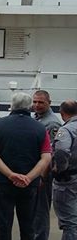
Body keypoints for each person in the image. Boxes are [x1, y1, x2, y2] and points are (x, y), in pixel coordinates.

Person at [0, 92, 52, 240]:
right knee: (28, 225)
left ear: (12, 105)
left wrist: (10, 174)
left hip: (3, 182)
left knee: (4, 224)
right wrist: (29, 177)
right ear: (30, 106)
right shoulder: (41, 128)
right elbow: (46, 157)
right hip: (29, 185)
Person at [33, 90, 62, 240]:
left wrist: (43, 178)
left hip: (43, 175)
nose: (37, 105)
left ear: (49, 103)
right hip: (34, 172)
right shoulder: (36, 119)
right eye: (35, 102)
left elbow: (51, 153)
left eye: (41, 102)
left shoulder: (51, 123)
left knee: (40, 211)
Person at [53, 100, 77, 240]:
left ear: (62, 113)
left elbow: (61, 150)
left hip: (68, 180)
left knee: (70, 222)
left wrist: (61, 169)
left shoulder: (66, 130)